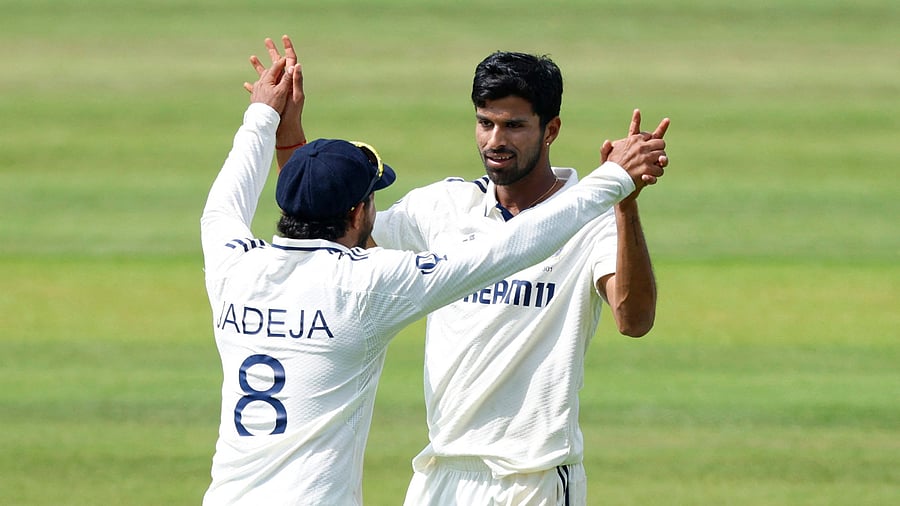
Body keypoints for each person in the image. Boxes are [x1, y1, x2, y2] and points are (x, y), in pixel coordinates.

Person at [202, 40, 666, 505]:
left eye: (513, 126)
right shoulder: (434, 214)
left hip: (533, 476)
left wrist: (619, 204)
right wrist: (614, 179)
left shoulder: (232, 260)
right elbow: (336, 223)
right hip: (440, 472)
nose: (495, 140)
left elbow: (635, 319)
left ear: (551, 130)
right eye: (485, 123)